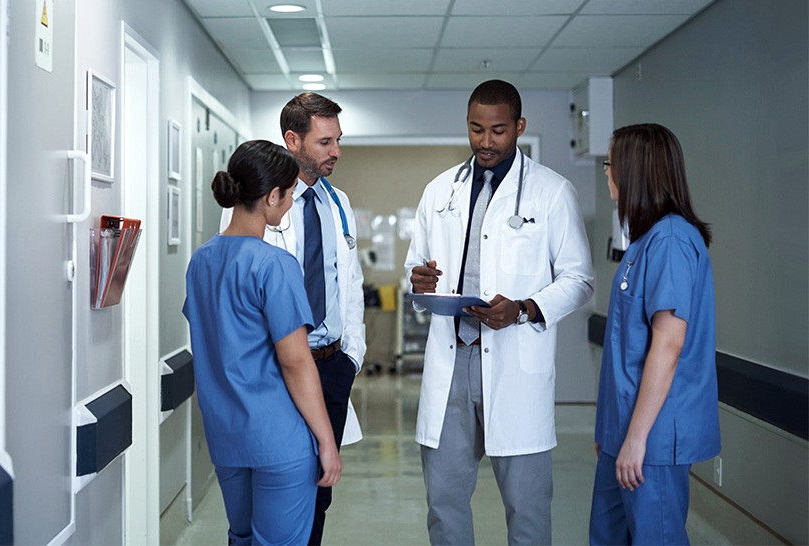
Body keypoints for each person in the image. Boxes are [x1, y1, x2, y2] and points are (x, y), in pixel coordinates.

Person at [404, 79, 594, 545]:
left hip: (514, 364)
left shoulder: (551, 192)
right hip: (452, 362)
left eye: (498, 130)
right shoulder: (439, 190)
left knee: (527, 508)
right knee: (444, 505)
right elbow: (414, 265)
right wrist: (417, 279)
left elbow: (580, 279)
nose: (486, 141)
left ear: (519, 127)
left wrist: (526, 308)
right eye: (476, 129)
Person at [221, 92, 366, 545]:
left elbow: (350, 284)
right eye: (324, 142)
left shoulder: (337, 202)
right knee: (278, 495)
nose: (335, 151)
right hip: (279, 372)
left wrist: (351, 359)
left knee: (320, 494)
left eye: (338, 140)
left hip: (332, 366)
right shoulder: (256, 203)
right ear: (293, 140)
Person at [184, 139, 342, 545]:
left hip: (226, 435)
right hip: (278, 440)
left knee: (241, 538)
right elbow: (295, 362)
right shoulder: (274, 264)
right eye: (289, 194)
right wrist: (327, 441)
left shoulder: (201, 260)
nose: (290, 203)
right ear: (272, 196)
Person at [589, 124, 720, 545]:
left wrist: (636, 438)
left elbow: (668, 344)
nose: (607, 172)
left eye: (611, 164)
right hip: (622, 431)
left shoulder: (670, 241)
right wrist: (611, 435)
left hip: (652, 438)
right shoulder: (644, 242)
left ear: (635, 171)